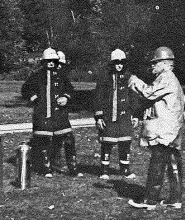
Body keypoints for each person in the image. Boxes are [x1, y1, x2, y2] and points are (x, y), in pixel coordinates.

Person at [127, 46, 185, 210]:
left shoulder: (165, 77)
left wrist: (133, 81)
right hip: (172, 127)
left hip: (164, 128)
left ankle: (150, 200)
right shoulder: (171, 78)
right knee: (172, 160)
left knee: (157, 162)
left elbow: (148, 93)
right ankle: (175, 198)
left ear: (165, 63)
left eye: (155, 62)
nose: (152, 66)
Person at [21, 47, 82, 178]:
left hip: (60, 114)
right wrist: (35, 98)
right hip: (42, 114)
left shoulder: (61, 76)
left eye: (53, 61)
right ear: (44, 62)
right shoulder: (37, 76)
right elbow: (25, 89)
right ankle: (46, 168)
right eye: (48, 61)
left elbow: (70, 90)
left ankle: (73, 168)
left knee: (68, 139)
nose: (50, 63)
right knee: (43, 141)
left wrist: (66, 97)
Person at [94, 49, 141, 179]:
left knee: (125, 143)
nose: (119, 65)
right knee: (107, 143)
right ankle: (104, 169)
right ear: (112, 64)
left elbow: (134, 97)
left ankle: (125, 168)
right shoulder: (105, 78)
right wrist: (99, 116)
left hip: (125, 117)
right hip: (109, 117)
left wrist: (136, 115)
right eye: (116, 63)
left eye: (122, 63)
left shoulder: (129, 78)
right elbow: (98, 98)